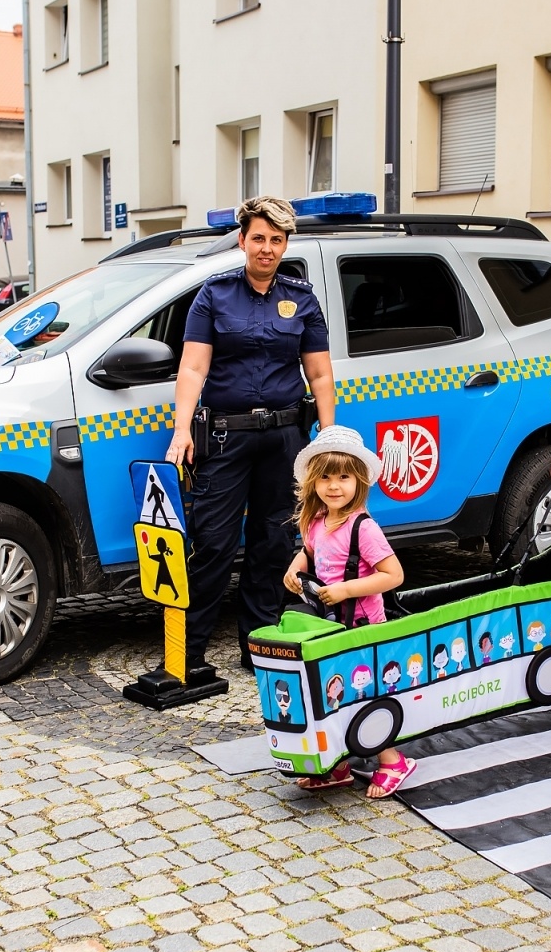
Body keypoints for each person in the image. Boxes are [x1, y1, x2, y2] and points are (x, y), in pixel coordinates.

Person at [165, 195, 336, 678]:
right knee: (214, 543)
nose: (266, 248)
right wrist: (182, 429)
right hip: (225, 437)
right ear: (242, 241)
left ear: (285, 245)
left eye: (276, 240)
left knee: (274, 542)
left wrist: (327, 431)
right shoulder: (214, 295)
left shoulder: (301, 298)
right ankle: (189, 653)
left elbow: (319, 375)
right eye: (258, 238)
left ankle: (258, 647)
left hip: (284, 437)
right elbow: (193, 368)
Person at [284, 425, 411, 796]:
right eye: (325, 477)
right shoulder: (317, 522)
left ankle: (393, 761)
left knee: (366, 694)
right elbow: (309, 552)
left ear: (359, 482)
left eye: (343, 477)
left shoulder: (364, 529)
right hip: (329, 628)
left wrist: (345, 590)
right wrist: (294, 571)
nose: (334, 485)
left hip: (362, 627)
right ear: (312, 482)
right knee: (332, 693)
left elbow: (394, 575)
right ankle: (338, 765)